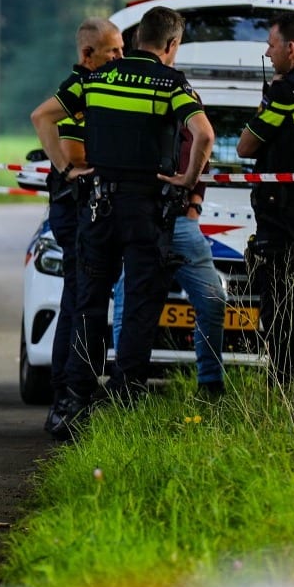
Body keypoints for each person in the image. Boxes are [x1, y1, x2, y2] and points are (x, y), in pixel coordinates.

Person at [53, 6, 214, 440]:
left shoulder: (96, 78)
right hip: (145, 212)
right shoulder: (171, 84)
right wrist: (187, 179)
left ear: (138, 37)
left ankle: (73, 404)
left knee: (89, 304)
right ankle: (124, 402)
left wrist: (66, 170)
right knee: (140, 308)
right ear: (171, 45)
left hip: (97, 208)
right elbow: (204, 134)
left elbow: (45, 116)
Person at [30, 17, 123, 418]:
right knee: (78, 297)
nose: (121, 57)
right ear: (88, 55)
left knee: (79, 295)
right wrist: (66, 169)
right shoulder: (80, 86)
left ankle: (67, 387)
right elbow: (41, 118)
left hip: (77, 205)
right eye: (113, 51)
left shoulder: (94, 85)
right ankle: (66, 390)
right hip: (73, 204)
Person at [110, 104, 229, 398]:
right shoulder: (134, 105)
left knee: (213, 299)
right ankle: (127, 387)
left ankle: (211, 385)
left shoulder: (183, 97)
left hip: (180, 220)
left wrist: (196, 202)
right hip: (142, 219)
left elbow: (204, 152)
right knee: (127, 303)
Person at [236, 12, 294, 383]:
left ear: (291, 49)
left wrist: (264, 102)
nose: (267, 53)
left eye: (271, 44)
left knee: (280, 305)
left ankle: (282, 382)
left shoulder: (284, 92)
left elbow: (246, 147)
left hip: (280, 217)